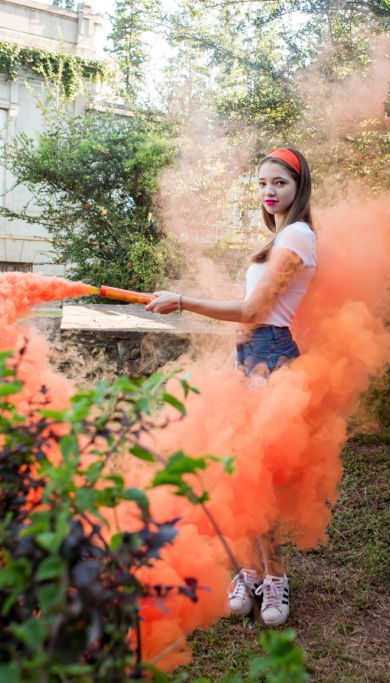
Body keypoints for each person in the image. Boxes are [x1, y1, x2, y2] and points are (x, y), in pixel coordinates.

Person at [145, 147, 317, 627]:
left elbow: (253, 311)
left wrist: (182, 301)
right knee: (238, 470)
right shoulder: (280, 238)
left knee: (259, 474)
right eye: (262, 183)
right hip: (250, 357)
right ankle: (250, 570)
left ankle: (275, 576)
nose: (268, 192)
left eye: (279, 183)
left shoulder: (298, 236)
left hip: (270, 358)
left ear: (299, 187)